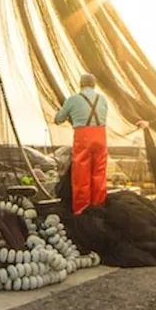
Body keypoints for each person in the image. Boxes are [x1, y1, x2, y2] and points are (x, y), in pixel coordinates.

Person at [54, 72, 110, 214]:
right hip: (101, 136)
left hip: (83, 137)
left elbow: (59, 119)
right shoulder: (102, 99)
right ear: (94, 85)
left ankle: (82, 212)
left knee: (81, 176)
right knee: (99, 174)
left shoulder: (73, 99)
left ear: (81, 84)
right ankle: (98, 209)